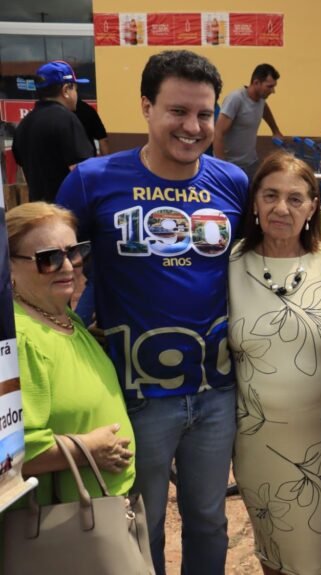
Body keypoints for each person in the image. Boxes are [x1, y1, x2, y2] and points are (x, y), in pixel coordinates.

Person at [55, 49, 249, 575]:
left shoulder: (232, 182)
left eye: (204, 114)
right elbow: (43, 254)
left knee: (208, 519)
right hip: (132, 394)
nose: (193, 127)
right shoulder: (93, 180)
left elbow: (269, 256)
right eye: (177, 111)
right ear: (146, 107)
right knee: (142, 522)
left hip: (215, 390)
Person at [228, 152, 321, 575]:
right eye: (270, 195)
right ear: (255, 202)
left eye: (295, 198)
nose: (281, 208)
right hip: (258, 441)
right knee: (276, 552)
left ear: (312, 207)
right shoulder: (229, 265)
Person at [8, 202, 135, 509]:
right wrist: (87, 449)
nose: (67, 267)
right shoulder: (21, 338)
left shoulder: (63, 317)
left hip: (101, 507)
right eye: (48, 258)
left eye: (74, 253)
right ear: (8, 265)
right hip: (67, 520)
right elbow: (11, 453)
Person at [12, 60, 95, 203]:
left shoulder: (24, 124)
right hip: (65, 211)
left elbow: (23, 166)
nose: (77, 94)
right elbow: (83, 172)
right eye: (75, 89)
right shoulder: (66, 119)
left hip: (38, 211)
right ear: (66, 90)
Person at [214, 63, 284, 178]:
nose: (273, 91)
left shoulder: (261, 100)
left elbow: (265, 109)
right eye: (269, 86)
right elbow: (218, 132)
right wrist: (221, 166)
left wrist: (275, 130)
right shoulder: (236, 99)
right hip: (232, 165)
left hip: (252, 163)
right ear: (256, 83)